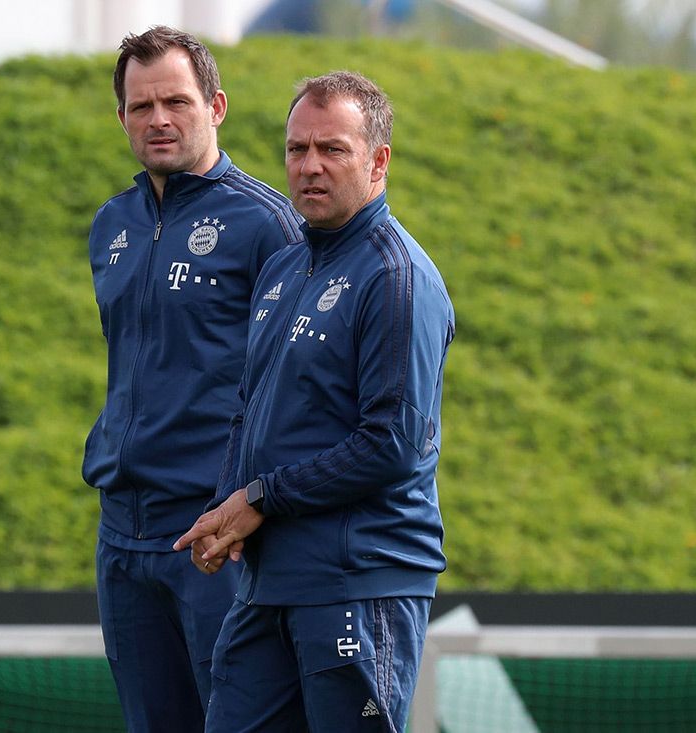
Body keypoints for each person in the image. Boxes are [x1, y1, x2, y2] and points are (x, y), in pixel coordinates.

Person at [174, 71, 456, 732]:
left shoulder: (397, 276)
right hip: (270, 582)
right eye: (297, 149)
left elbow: (392, 443)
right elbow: (253, 408)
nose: (309, 166)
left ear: (378, 160)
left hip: (358, 582)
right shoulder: (283, 266)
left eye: (332, 149)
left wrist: (261, 497)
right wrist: (225, 504)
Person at [82, 25, 304, 733]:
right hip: (124, 531)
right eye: (140, 106)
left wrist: (254, 499)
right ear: (122, 117)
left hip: (217, 533)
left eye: (176, 101)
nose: (158, 120)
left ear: (217, 105)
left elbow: (303, 385)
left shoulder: (270, 225)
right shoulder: (111, 224)